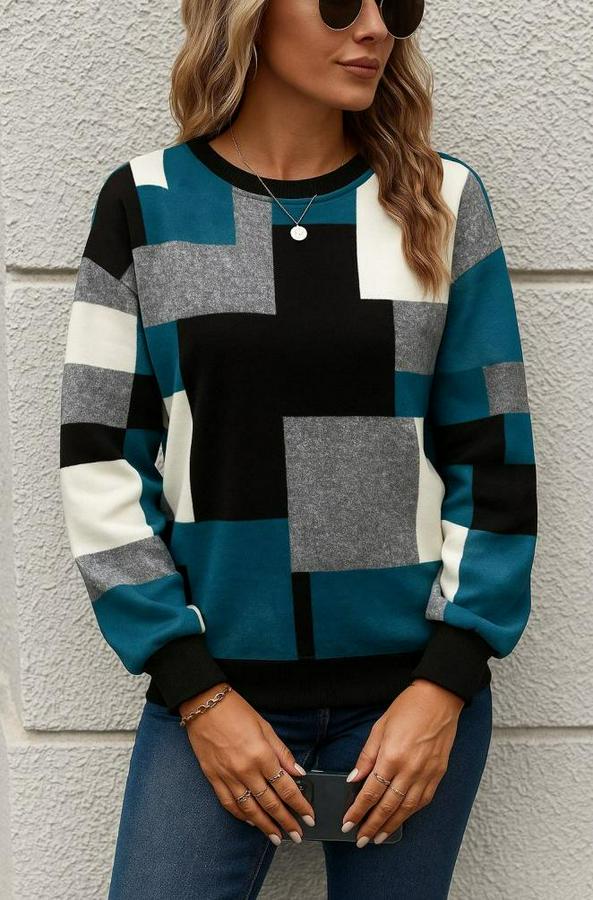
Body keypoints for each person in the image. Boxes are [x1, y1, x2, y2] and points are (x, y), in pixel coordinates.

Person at [58, 0, 538, 896]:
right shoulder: (146, 201)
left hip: (408, 706)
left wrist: (446, 681)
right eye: (338, 2)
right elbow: (99, 460)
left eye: (396, 4)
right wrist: (193, 688)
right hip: (213, 697)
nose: (375, 28)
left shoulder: (440, 199)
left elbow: (493, 457)